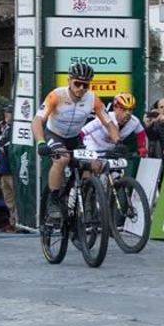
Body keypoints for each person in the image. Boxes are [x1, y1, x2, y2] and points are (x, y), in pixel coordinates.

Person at [31, 61, 120, 219]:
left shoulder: (93, 99)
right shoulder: (56, 95)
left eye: (85, 85)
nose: (81, 88)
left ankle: (81, 206)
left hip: (74, 138)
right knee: (62, 158)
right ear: (69, 81)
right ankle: (53, 201)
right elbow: (37, 121)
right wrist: (40, 142)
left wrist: (117, 142)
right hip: (54, 134)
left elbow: (109, 123)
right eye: (77, 83)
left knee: (92, 165)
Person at [81, 91, 147, 172]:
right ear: (115, 108)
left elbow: (140, 132)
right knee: (95, 165)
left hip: (110, 149)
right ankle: (87, 182)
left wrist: (142, 147)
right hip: (93, 144)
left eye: (130, 110)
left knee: (117, 172)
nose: (128, 113)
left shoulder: (134, 121)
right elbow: (84, 131)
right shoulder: (105, 117)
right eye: (124, 109)